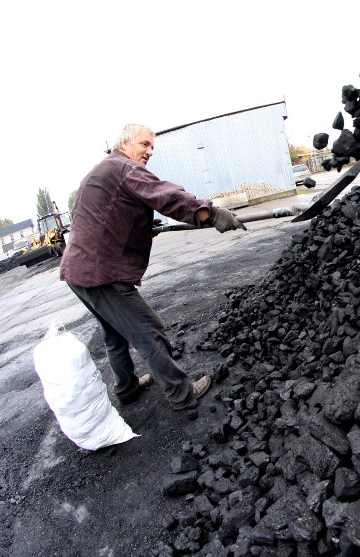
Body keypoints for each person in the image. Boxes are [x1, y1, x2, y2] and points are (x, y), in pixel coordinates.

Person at [60, 123, 246, 410]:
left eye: (152, 147)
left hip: (78, 271)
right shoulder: (125, 169)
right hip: (102, 274)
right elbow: (164, 195)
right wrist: (210, 213)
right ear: (125, 143)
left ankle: (127, 388)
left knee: (113, 333)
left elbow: (104, 217)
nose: (149, 151)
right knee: (148, 330)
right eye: (144, 144)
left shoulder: (100, 171)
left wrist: (142, 222)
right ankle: (181, 393)